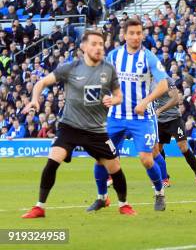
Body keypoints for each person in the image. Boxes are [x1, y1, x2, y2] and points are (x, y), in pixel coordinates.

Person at [21, 29, 136, 218]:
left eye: (101, 44)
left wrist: (113, 101)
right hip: (70, 126)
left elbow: (119, 96)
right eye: (94, 44)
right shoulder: (70, 68)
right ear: (83, 47)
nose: (98, 47)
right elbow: (41, 83)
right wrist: (35, 99)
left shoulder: (108, 69)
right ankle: (39, 207)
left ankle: (124, 205)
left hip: (96, 130)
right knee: (53, 160)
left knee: (115, 167)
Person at [90, 18, 170, 212]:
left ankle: (159, 193)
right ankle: (102, 197)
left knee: (146, 158)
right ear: (124, 35)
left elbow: (164, 84)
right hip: (116, 117)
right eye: (132, 33)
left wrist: (145, 101)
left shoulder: (149, 57)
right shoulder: (114, 56)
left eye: (139, 33)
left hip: (141, 118)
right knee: (102, 157)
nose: (136, 36)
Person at [154, 78, 196, 186]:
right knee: (157, 149)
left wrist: (160, 110)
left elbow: (175, 100)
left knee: (183, 147)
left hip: (174, 119)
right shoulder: (148, 81)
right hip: (159, 121)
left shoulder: (167, 81)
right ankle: (164, 178)